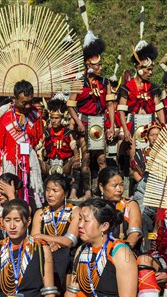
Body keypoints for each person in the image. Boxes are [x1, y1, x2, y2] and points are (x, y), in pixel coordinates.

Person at [67, 31, 116, 198]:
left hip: (99, 123)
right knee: (86, 158)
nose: (101, 68)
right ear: (89, 65)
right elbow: (70, 106)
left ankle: (103, 192)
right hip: (85, 123)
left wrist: (112, 125)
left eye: (101, 64)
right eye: (98, 65)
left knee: (102, 159)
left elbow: (110, 105)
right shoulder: (78, 82)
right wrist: (78, 123)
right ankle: (87, 191)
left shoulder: (105, 82)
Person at [0, 80, 45, 208]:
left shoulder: (35, 115)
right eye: (24, 103)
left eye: (30, 102)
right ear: (14, 99)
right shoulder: (2, 113)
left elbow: (40, 137)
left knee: (29, 197)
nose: (27, 106)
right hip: (7, 163)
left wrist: (35, 150)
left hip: (28, 164)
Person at [31, 174, 80, 297]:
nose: (50, 194)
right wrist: (52, 243)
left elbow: (69, 241)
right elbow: (33, 239)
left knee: (63, 254)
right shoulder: (40, 213)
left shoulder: (75, 211)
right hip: (45, 251)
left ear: (66, 193)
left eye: (55, 190)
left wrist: (44, 237)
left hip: (66, 255)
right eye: (47, 190)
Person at [97, 167, 142, 250]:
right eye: (114, 186)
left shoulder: (130, 205)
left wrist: (121, 251)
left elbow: (135, 234)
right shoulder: (94, 207)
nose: (119, 189)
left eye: (121, 185)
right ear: (101, 187)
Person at [41, 96, 80, 179]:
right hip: (49, 165)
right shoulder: (47, 132)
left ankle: (74, 188)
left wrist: (76, 158)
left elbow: (75, 151)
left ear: (62, 118)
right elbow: (38, 146)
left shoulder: (68, 132)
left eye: (57, 118)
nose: (54, 121)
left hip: (65, 166)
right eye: (52, 118)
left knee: (75, 160)